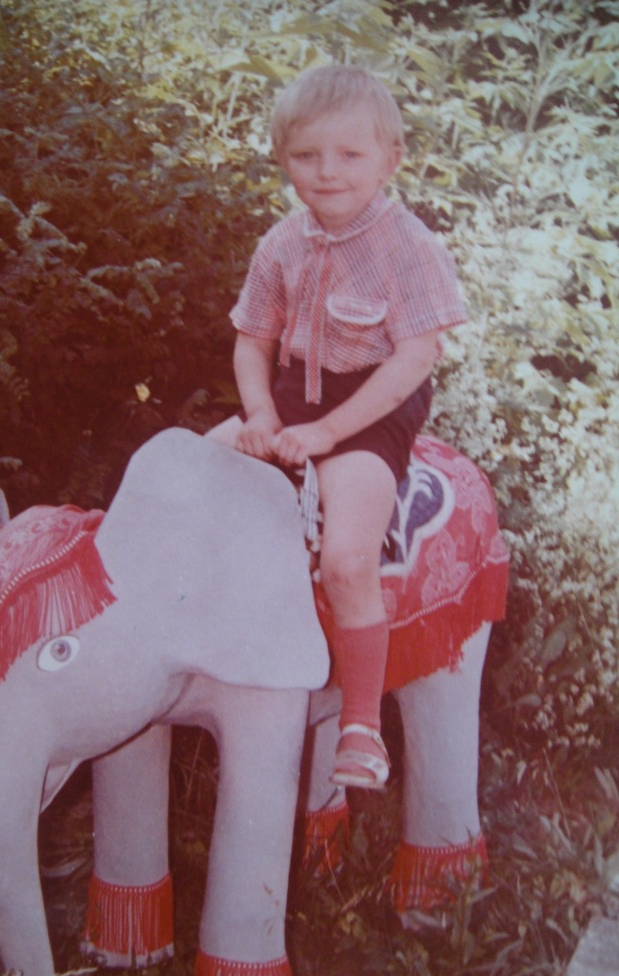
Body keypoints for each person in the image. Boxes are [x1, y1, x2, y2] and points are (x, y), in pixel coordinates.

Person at [209, 65, 467, 788]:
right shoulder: (281, 244)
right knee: (189, 478)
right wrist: (261, 414)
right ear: (282, 158)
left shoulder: (409, 247)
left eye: (350, 155)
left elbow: (416, 358)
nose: (327, 172)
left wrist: (328, 435)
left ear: (391, 159)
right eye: (307, 155)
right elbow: (252, 342)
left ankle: (361, 723)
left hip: (371, 410)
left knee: (348, 559)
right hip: (292, 397)